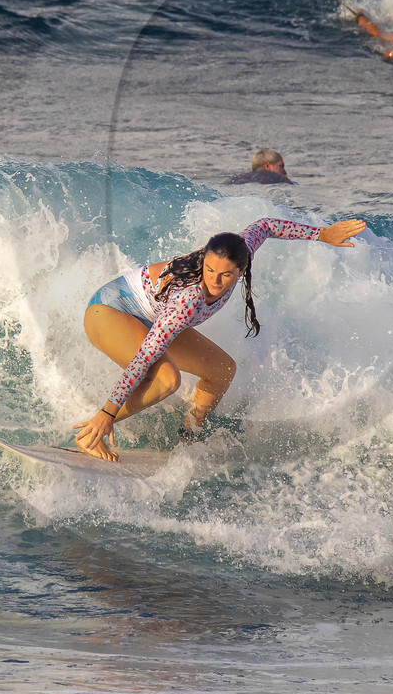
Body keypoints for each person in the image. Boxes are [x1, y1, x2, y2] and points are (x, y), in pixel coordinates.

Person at [75, 216, 367, 461]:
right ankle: (93, 431)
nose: (214, 281)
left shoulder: (240, 250)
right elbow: (145, 357)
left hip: (153, 315)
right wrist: (108, 412)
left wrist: (321, 234)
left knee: (221, 371)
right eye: (210, 269)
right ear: (204, 259)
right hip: (109, 311)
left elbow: (265, 226)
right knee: (167, 380)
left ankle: (187, 439)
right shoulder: (188, 299)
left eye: (226, 275)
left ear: (242, 268)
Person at [225, 148, 295, 186]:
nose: (285, 172)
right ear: (267, 165)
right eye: (281, 166)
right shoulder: (276, 178)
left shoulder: (238, 178)